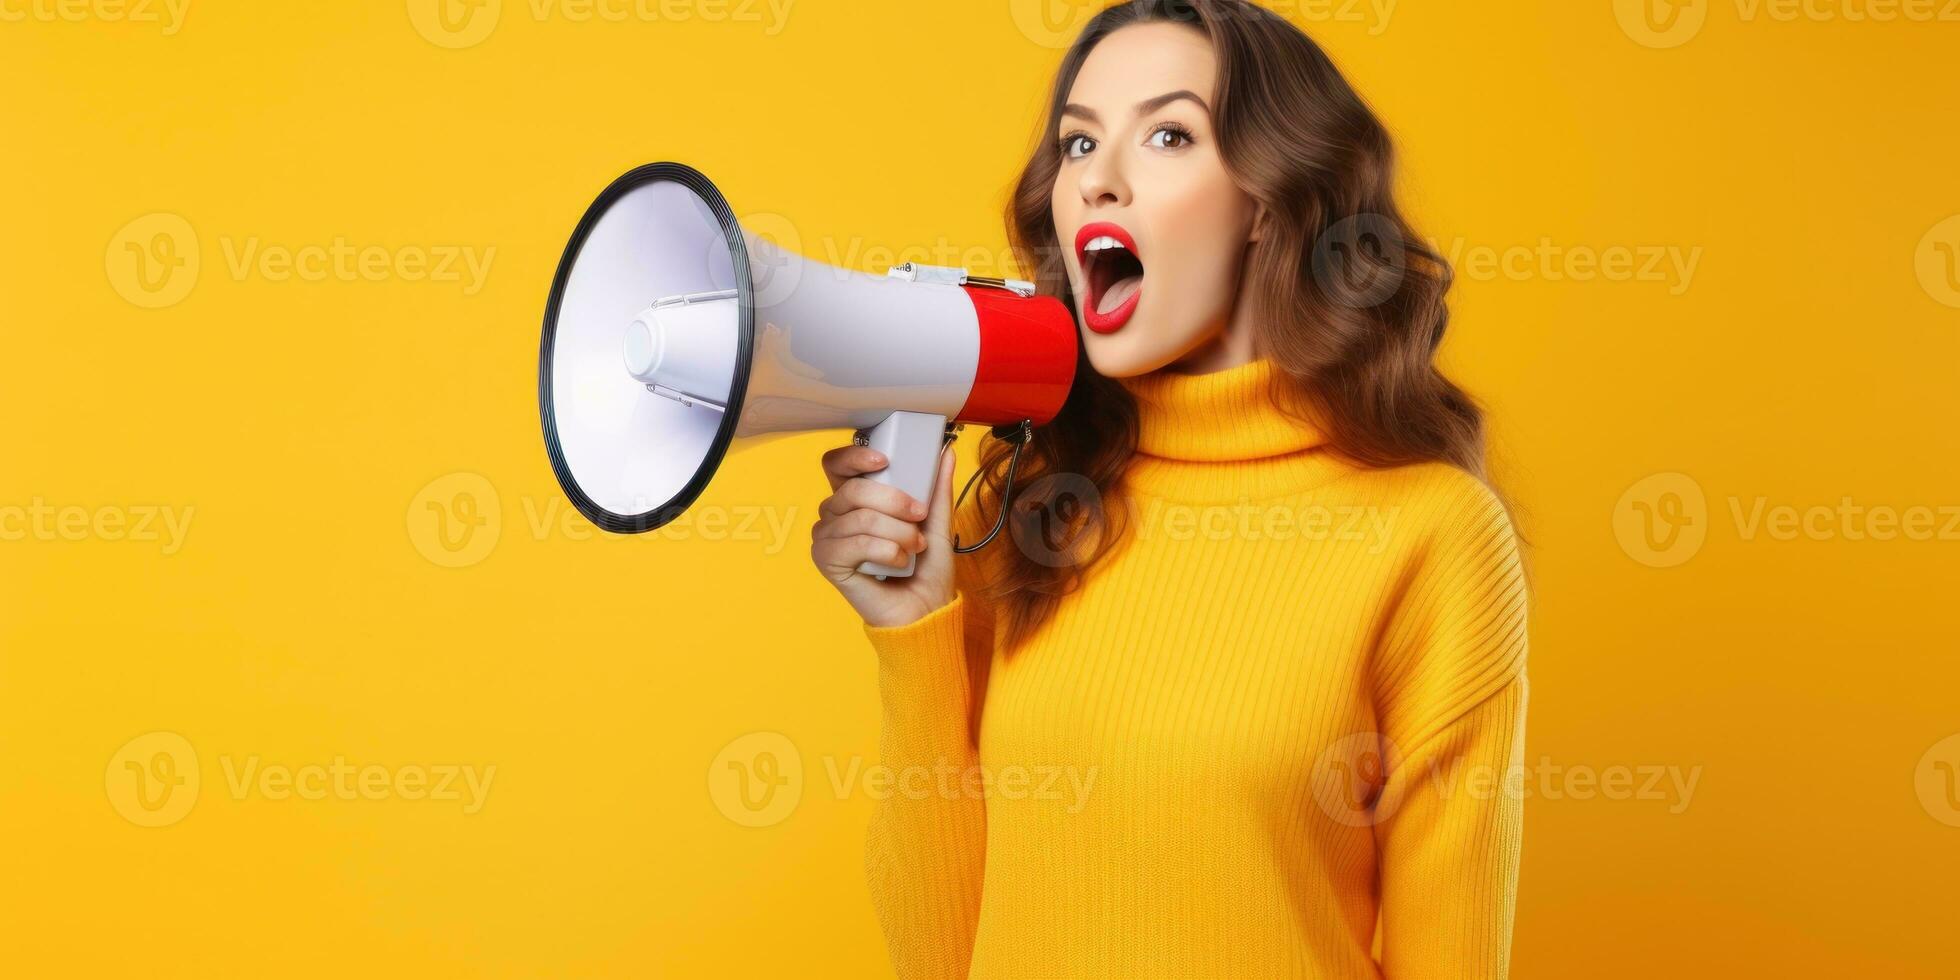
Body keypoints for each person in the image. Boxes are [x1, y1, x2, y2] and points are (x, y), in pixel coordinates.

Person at [808, 2, 1529, 976]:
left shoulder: (1429, 531)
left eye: (1167, 133)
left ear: (1267, 201)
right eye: (1076, 142)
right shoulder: (1020, 510)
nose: (1097, 178)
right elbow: (940, 957)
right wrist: (912, 635)